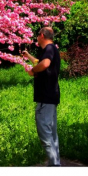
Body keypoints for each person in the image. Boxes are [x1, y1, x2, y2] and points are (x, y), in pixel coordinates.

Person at [23, 27, 62, 167]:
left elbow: (44, 64)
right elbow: (41, 61)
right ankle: (55, 163)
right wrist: (28, 56)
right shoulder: (50, 50)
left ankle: (54, 166)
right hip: (51, 95)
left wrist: (32, 71)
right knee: (51, 132)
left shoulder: (50, 48)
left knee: (44, 132)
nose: (36, 38)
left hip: (45, 97)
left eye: (37, 35)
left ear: (41, 35)